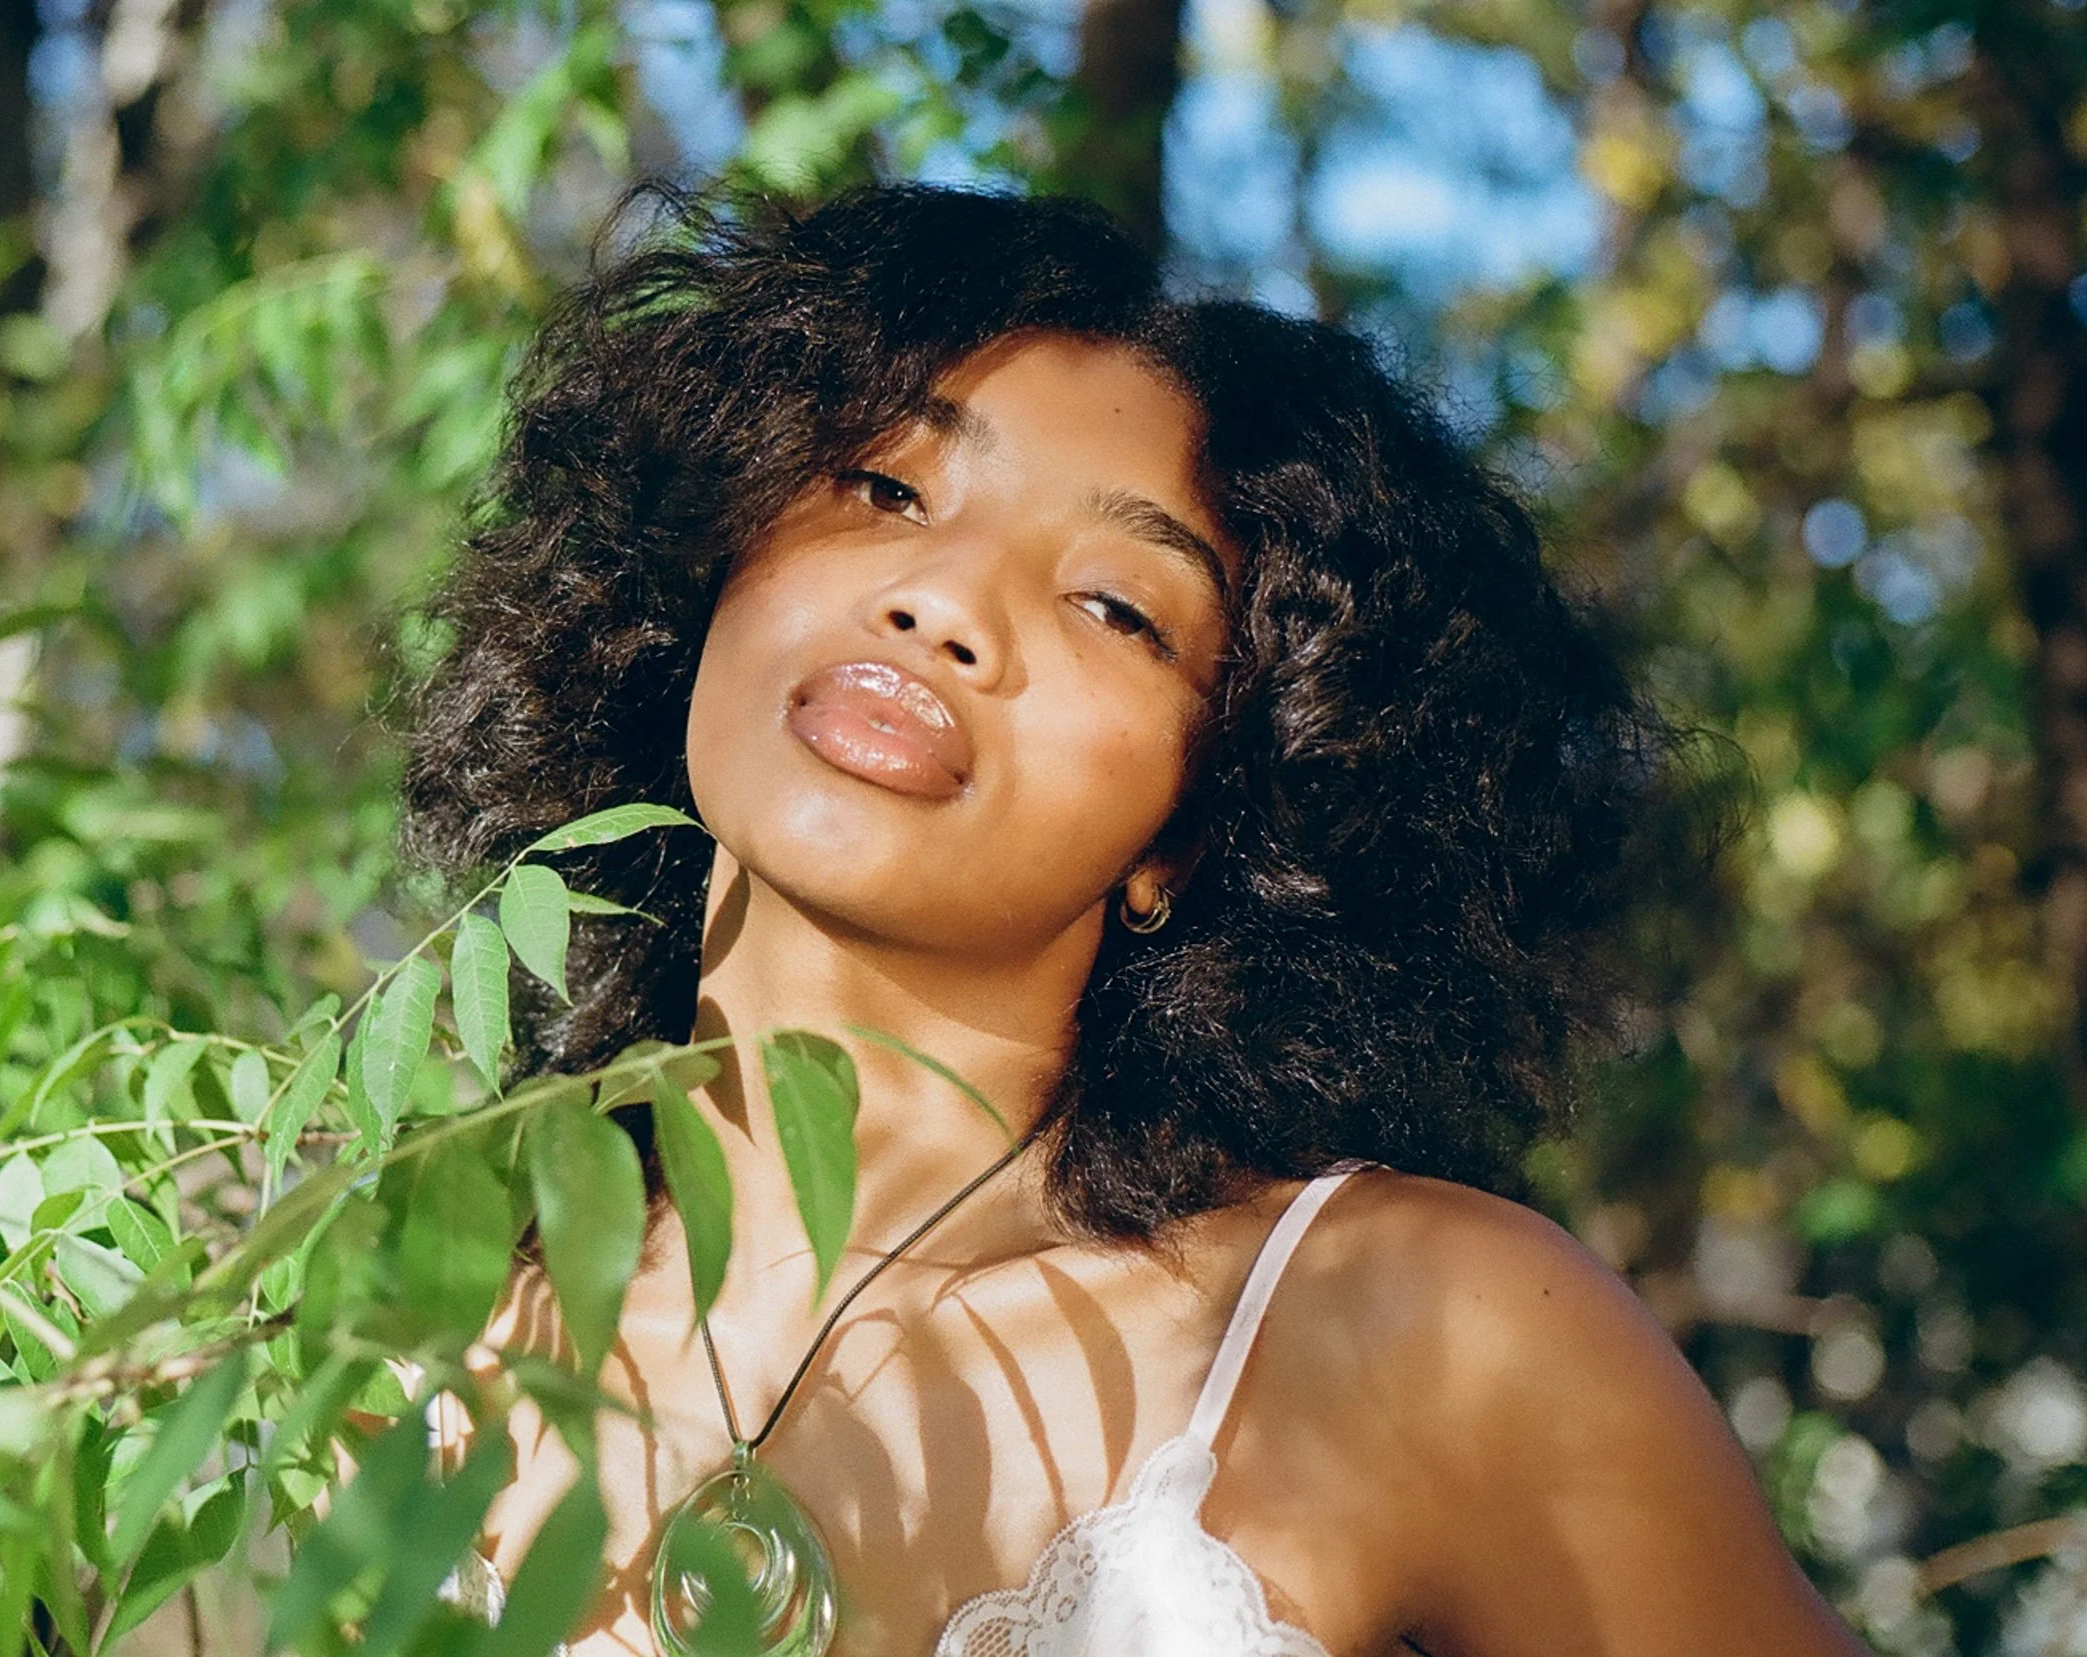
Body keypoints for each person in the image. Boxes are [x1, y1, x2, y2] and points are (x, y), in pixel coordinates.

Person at [398, 182, 1867, 1655]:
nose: (945, 601)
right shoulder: (389, 1355)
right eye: (886, 489)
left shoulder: (1416, 1329)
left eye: (1118, 606)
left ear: (1200, 824)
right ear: (711, 564)